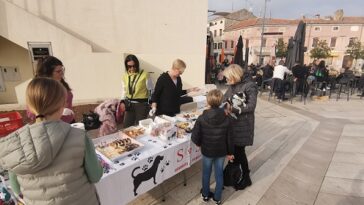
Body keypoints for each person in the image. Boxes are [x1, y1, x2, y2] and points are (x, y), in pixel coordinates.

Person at [0, 77, 103, 205]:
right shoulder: (79, 136)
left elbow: (15, 188)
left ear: (30, 107)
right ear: (62, 105)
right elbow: (95, 175)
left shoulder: (14, 144)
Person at [191, 89, 234, 205]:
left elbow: (195, 136)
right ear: (221, 102)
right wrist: (230, 153)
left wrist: (199, 144)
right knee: (219, 173)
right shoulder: (227, 118)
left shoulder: (201, 118)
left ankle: (205, 195)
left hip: (207, 151)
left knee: (206, 173)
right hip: (221, 152)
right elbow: (230, 139)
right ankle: (217, 198)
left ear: (208, 101)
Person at [223, 64, 258, 190]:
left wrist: (233, 109)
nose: (227, 81)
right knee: (235, 149)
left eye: (229, 78)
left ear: (235, 76)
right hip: (233, 124)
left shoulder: (250, 86)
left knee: (239, 151)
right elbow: (224, 98)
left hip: (244, 124)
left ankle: (246, 177)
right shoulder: (233, 85)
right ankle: (234, 173)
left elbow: (251, 106)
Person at [27, 56, 75, 123]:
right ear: (47, 74)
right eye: (58, 71)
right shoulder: (39, 90)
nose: (62, 73)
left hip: (67, 123)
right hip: (49, 126)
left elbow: (68, 105)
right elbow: (32, 114)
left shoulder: (62, 84)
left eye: (62, 70)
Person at [122, 54, 152, 127]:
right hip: (129, 104)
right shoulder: (125, 75)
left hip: (142, 105)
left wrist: (151, 103)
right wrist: (122, 101)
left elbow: (151, 89)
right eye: (129, 66)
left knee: (140, 127)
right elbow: (124, 90)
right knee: (126, 127)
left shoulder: (145, 74)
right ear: (126, 66)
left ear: (137, 64)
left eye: (134, 66)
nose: (132, 68)